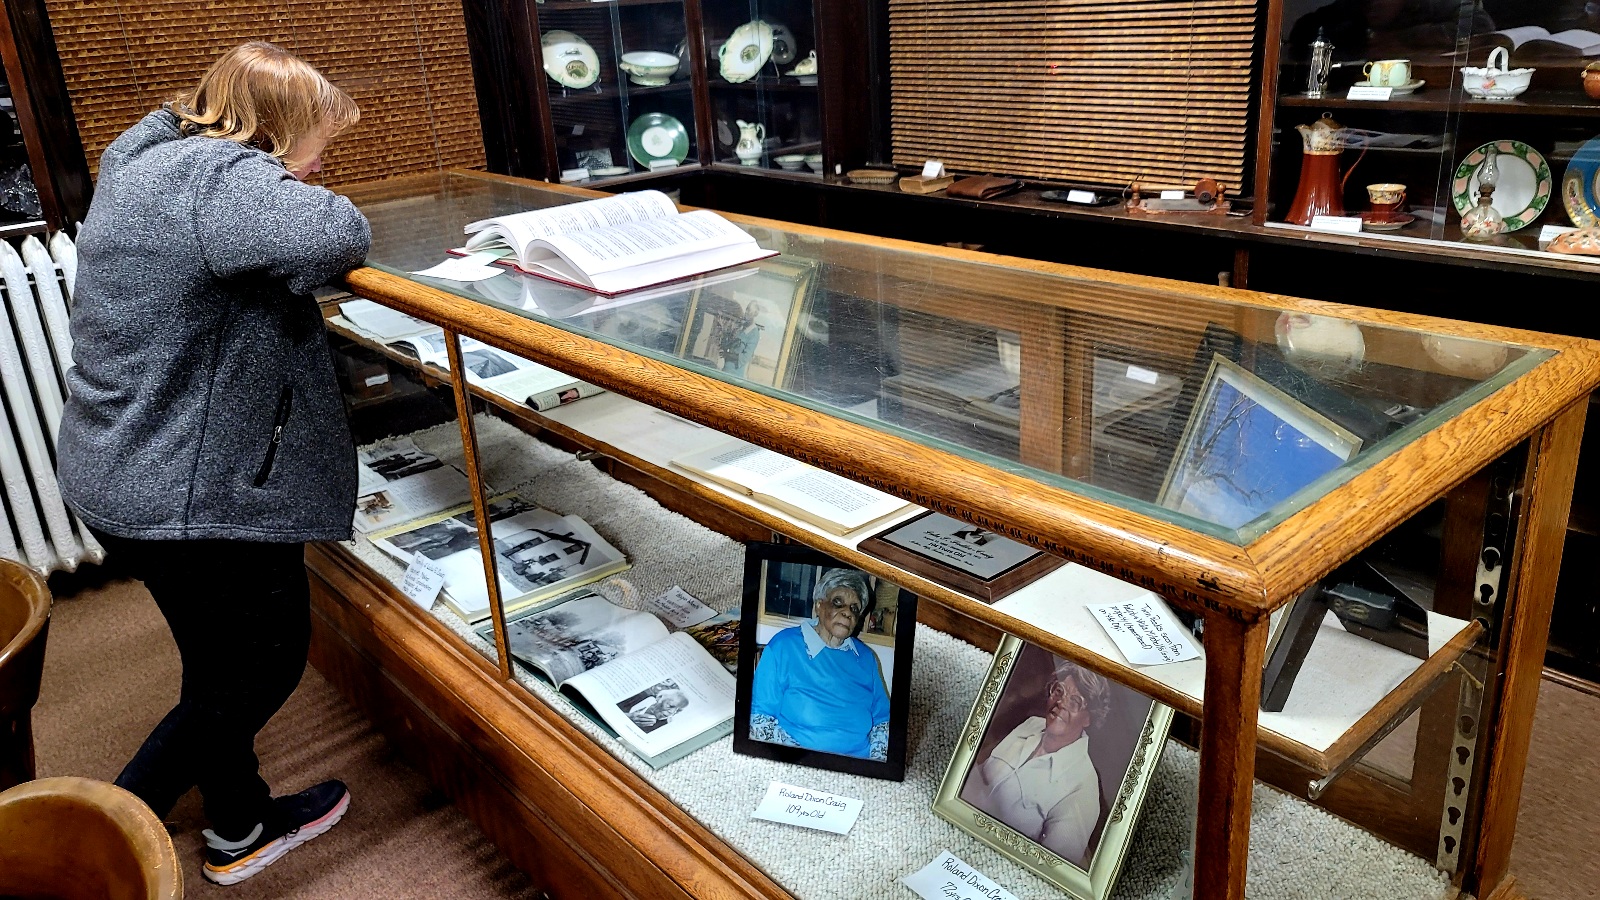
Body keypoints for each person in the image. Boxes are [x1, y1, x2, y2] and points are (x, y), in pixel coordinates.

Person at [56, 41, 370, 885]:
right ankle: (87, 850)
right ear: (276, 130)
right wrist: (301, 181)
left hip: (117, 465)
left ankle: (239, 825)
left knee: (212, 659)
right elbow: (338, 232)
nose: (322, 160)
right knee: (264, 661)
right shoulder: (217, 180)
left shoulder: (141, 159)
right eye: (318, 141)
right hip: (185, 488)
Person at [966, 659, 1110, 868]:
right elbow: (979, 771)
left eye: (1075, 702)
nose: (1060, 703)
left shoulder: (1082, 788)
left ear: (1089, 718)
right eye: (1058, 691)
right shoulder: (1031, 724)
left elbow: (1052, 868)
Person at [749, 568, 891, 761]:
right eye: (838, 602)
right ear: (819, 605)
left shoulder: (866, 657)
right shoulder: (784, 646)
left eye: (854, 608)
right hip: (800, 759)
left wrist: (875, 766)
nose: (847, 613)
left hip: (860, 762)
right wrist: (803, 761)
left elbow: (883, 722)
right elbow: (759, 718)